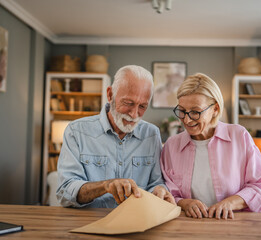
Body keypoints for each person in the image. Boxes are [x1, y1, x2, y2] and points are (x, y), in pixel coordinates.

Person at [57, 65, 175, 208]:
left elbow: (155, 183)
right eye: (128, 103)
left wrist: (159, 190)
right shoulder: (77, 131)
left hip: (137, 223)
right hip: (88, 224)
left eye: (142, 106)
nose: (134, 114)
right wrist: (105, 186)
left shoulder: (151, 134)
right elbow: (65, 192)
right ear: (110, 94)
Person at [160, 73, 261, 219]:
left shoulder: (239, 136)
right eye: (182, 111)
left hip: (238, 222)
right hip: (190, 224)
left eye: (195, 112)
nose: (186, 120)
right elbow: (168, 192)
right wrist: (185, 203)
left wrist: (229, 204)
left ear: (215, 109)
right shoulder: (171, 145)